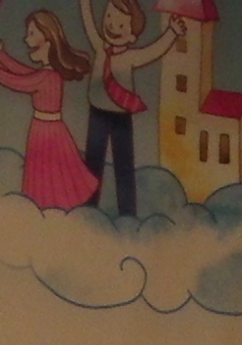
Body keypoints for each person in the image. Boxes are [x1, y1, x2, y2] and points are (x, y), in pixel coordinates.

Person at [0, 8, 101, 212]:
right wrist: (1, 56)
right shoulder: (48, 74)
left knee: (47, 175)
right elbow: (25, 73)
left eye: (32, 33)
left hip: (47, 132)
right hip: (46, 129)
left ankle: (46, 210)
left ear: (47, 40)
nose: (26, 39)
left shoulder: (47, 77)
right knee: (47, 174)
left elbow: (21, 82)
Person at [77, 0, 180, 217]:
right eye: (108, 17)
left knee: (123, 166)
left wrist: (171, 33)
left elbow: (153, 51)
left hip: (121, 118)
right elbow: (88, 24)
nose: (112, 26)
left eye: (121, 25)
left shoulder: (130, 56)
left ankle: (128, 214)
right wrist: (85, 4)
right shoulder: (100, 48)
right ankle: (88, 209)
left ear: (132, 36)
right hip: (97, 113)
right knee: (92, 164)